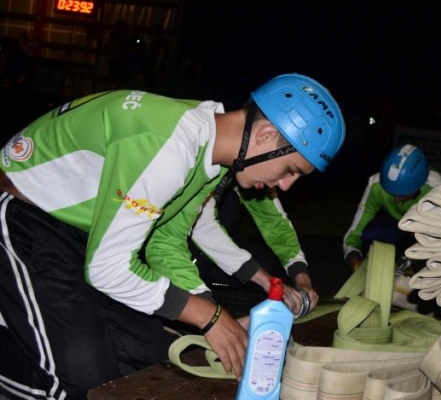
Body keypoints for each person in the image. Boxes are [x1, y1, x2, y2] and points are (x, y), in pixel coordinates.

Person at [0, 73, 345, 400]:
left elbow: (166, 241)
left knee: (152, 357)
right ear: (266, 135)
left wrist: (212, 312)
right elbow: (107, 269)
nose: (285, 185)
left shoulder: (210, 153)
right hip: (25, 218)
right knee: (85, 384)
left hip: (83, 237)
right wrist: (208, 316)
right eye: (290, 170)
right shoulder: (171, 145)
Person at [191, 184, 319, 317]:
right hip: (184, 246)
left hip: (212, 237)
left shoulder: (249, 177)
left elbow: (274, 223)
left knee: (265, 265)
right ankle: (197, 289)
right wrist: (265, 280)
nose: (284, 185)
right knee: (229, 203)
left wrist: (302, 278)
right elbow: (203, 228)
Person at [343, 144, 441, 272]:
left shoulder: (438, 190)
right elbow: (354, 233)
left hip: (425, 232)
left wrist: (410, 260)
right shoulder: (375, 185)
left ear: (419, 185)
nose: (396, 200)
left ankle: (410, 266)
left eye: (403, 194)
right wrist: (354, 258)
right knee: (372, 233)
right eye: (391, 191)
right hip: (397, 227)